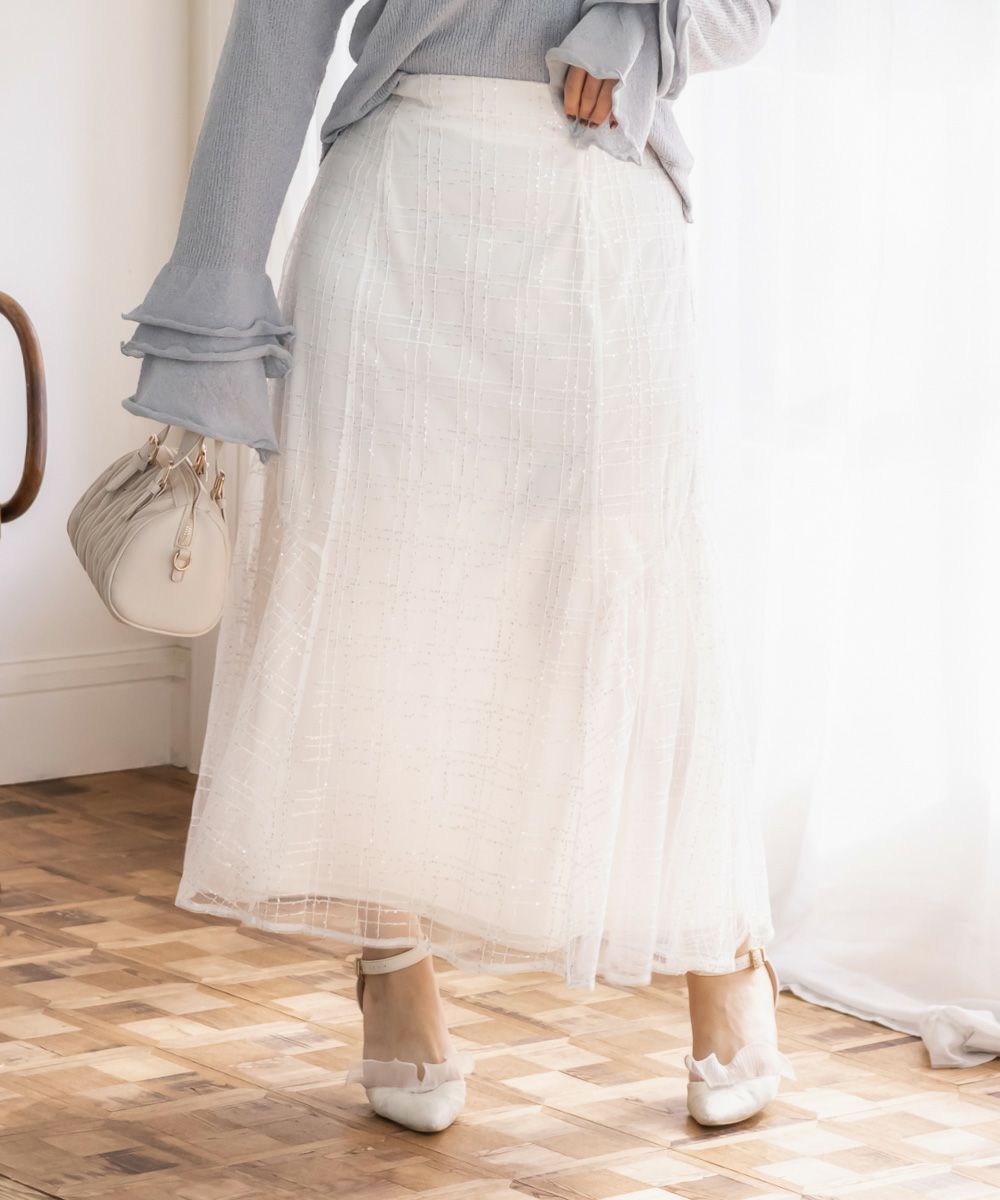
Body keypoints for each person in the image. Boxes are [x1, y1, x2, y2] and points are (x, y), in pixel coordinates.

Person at [119, 0, 795, 1134]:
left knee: (642, 599)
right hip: (399, 201)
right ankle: (392, 961)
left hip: (603, 202)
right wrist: (216, 293)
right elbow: (279, 30)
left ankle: (724, 950)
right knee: (376, 612)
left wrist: (642, 28)